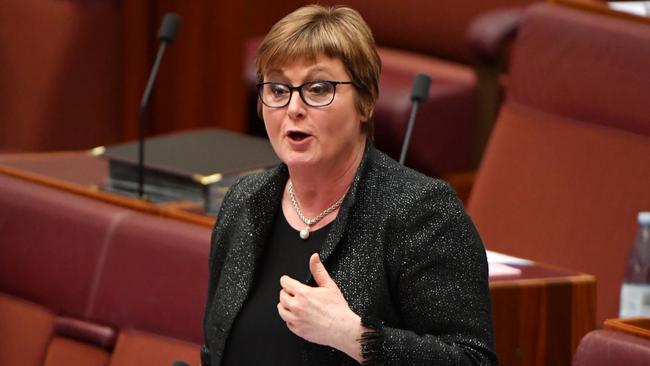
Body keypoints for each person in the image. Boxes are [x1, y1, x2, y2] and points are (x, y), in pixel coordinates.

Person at [202, 4, 497, 365]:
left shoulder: (421, 214)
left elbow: (471, 361)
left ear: (366, 101)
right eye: (278, 90)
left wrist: (354, 336)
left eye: (318, 88)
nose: (294, 107)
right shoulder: (245, 202)